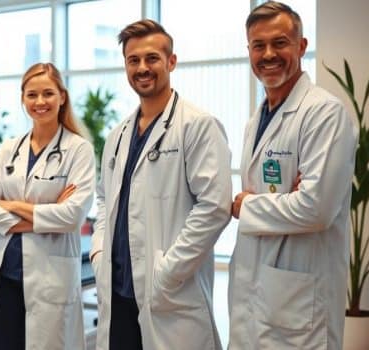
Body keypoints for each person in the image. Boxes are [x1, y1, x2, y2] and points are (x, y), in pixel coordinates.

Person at [89, 19, 232, 350]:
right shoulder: (118, 134)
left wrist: (167, 272)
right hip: (118, 291)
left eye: (152, 58)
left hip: (167, 294)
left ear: (171, 61)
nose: (142, 68)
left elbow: (214, 208)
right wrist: (98, 251)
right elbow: (103, 199)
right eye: (133, 60)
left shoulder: (197, 126)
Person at [228, 2, 357, 349]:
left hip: (299, 306)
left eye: (280, 42)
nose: (268, 54)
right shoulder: (257, 119)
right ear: (249, 52)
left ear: (301, 46)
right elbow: (297, 204)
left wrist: (248, 206)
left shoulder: (324, 113)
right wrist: (286, 197)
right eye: (258, 45)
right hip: (256, 295)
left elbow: (315, 209)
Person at [0, 62, 95, 350]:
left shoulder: (78, 150)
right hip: (6, 273)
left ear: (62, 97)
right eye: (32, 95)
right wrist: (47, 213)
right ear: (23, 99)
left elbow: (73, 216)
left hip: (50, 276)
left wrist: (11, 204)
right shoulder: (9, 149)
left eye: (48, 93)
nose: (40, 102)